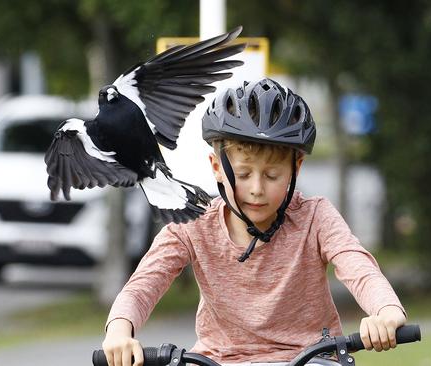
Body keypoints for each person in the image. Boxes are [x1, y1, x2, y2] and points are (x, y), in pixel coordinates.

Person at [102, 78, 407, 366]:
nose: (257, 188)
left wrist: (386, 311)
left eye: (272, 175)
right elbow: (143, 284)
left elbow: (357, 266)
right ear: (216, 167)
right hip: (219, 359)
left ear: (296, 167)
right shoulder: (194, 222)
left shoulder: (315, 217)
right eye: (245, 174)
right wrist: (119, 329)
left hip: (311, 357)